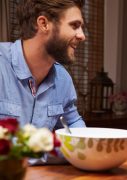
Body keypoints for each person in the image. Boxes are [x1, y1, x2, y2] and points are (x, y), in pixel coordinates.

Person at [0, 0, 86, 130]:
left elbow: (72, 123)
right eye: (74, 25)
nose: (82, 36)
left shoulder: (63, 79)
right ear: (43, 24)